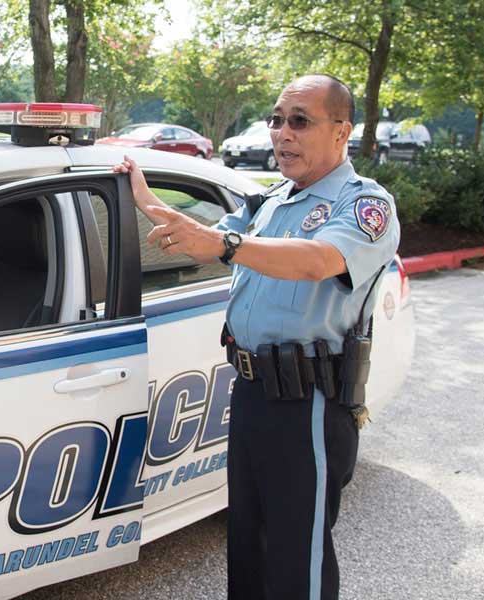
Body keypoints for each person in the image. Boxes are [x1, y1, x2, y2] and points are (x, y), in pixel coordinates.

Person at [113, 74, 400, 600]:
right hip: (252, 391)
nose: (282, 133)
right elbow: (199, 235)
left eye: (300, 121)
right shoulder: (273, 201)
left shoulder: (363, 204)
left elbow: (318, 261)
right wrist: (143, 195)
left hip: (310, 401)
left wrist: (226, 245)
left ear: (341, 132)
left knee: (296, 559)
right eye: (276, 120)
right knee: (250, 544)